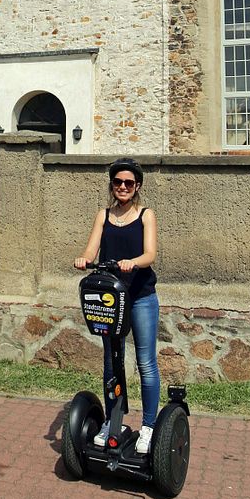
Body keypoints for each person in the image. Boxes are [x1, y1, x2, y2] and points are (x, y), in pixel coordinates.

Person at [74, 158, 159, 454]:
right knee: (112, 362)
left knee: (145, 363)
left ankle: (148, 426)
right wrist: (84, 258)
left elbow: (150, 254)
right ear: (112, 185)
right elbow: (91, 247)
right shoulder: (104, 215)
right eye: (118, 182)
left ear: (137, 187)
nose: (123, 187)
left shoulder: (146, 215)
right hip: (112, 300)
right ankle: (115, 420)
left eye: (129, 183)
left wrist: (132, 263)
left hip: (141, 297)